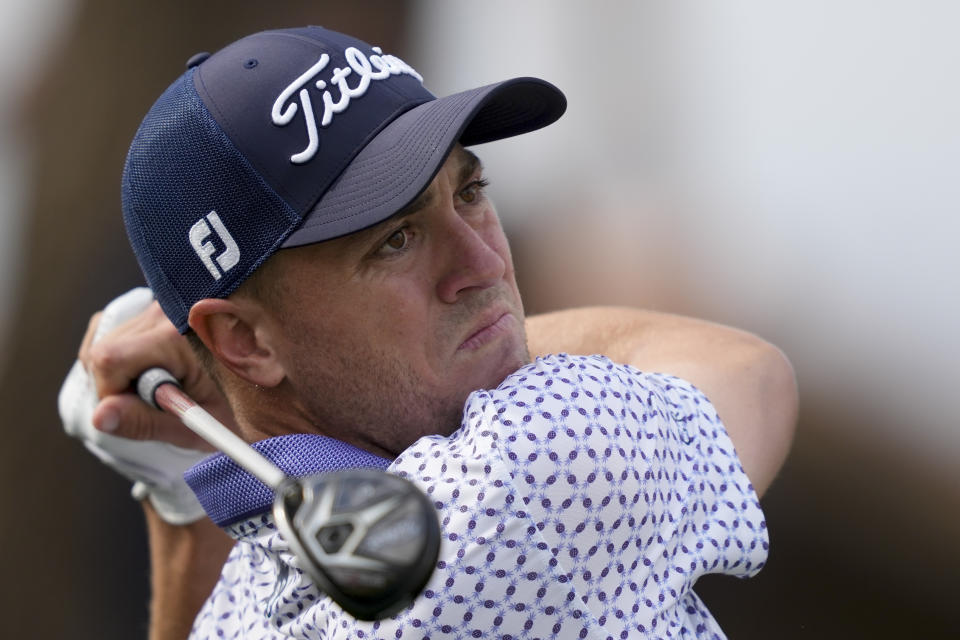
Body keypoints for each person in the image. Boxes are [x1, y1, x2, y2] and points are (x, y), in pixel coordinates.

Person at [59, 25, 797, 640]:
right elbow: (746, 367)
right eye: (395, 241)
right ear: (246, 342)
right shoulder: (530, 470)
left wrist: (181, 503)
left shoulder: (245, 610)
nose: (482, 263)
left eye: (470, 191)